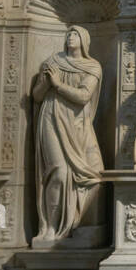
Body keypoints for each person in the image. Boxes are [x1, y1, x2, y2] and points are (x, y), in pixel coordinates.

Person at [32, 26, 104, 243]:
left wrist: (57, 84)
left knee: (94, 175)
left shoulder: (92, 66)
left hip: (77, 125)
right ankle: (51, 227)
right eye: (68, 34)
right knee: (59, 172)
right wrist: (46, 83)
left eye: (74, 34)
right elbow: (36, 96)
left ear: (84, 40)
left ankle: (77, 225)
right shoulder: (52, 62)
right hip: (51, 119)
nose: (70, 37)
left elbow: (83, 97)